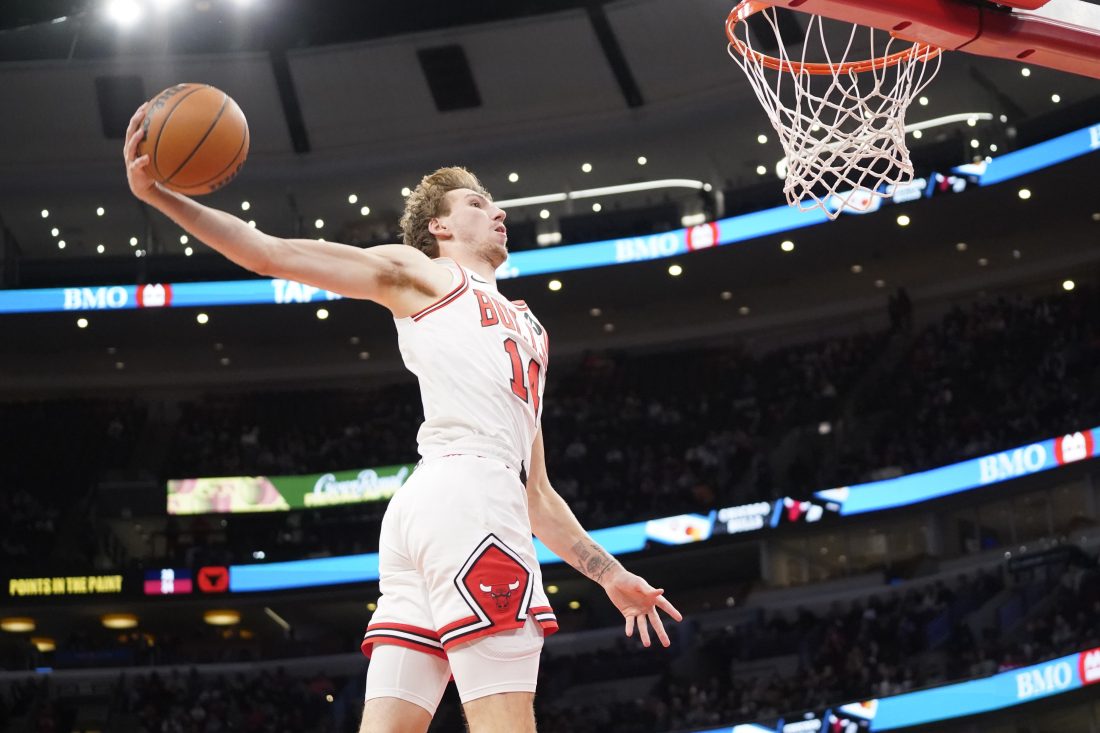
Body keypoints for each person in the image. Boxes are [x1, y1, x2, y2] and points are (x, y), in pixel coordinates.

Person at [123, 104, 682, 733]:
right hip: (469, 500)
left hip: (435, 508)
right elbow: (272, 253)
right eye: (476, 204)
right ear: (439, 228)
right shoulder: (427, 275)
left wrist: (609, 573)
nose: (497, 211)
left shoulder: (530, 327)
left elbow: (537, 493)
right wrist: (162, 197)